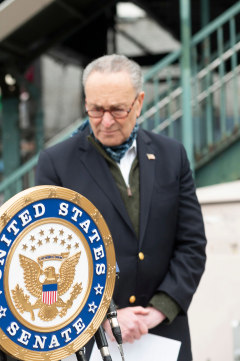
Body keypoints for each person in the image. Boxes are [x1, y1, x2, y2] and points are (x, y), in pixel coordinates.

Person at [36, 54, 207, 361]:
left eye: (117, 109)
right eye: (96, 109)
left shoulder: (172, 156)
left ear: (138, 103)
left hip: (164, 333)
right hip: (89, 338)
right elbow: (49, 255)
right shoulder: (55, 164)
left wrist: (158, 310)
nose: (106, 121)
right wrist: (105, 316)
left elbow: (191, 244)